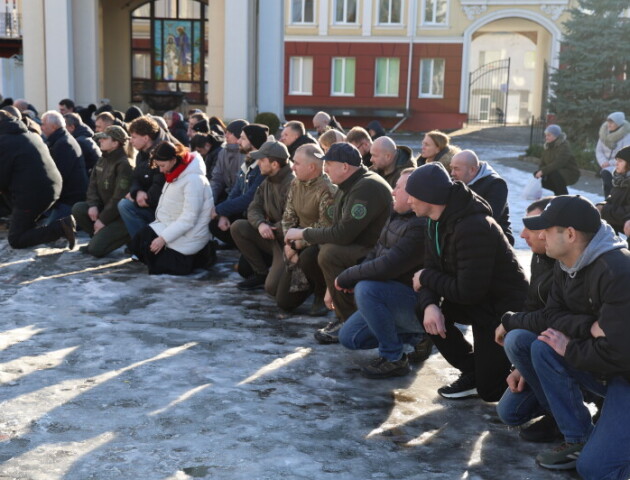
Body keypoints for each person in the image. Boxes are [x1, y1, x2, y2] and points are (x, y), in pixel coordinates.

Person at [495, 195, 630, 477]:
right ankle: (577, 438)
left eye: (546, 228)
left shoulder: (618, 270)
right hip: (604, 361)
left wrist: (570, 348)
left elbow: (620, 355)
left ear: (570, 234)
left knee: (595, 469)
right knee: (539, 345)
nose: (540, 234)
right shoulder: (564, 262)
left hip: (625, 372)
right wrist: (587, 327)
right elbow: (551, 315)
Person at [406, 163, 527, 401]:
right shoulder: (434, 220)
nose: (408, 200)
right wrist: (430, 305)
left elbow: (467, 291)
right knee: (424, 308)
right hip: (477, 301)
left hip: (501, 310)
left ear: (429, 196)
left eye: (413, 194)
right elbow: (431, 267)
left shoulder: (474, 226)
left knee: (490, 392)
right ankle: (472, 369)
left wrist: (425, 278)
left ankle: (521, 372)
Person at [285, 142, 393, 344]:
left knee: (329, 253)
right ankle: (344, 315)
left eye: (329, 164)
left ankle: (349, 319)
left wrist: (303, 233)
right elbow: (338, 228)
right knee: (324, 249)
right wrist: (330, 288)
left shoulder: (366, 186)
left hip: (380, 251)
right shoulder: (350, 184)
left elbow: (343, 234)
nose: (325, 169)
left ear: (345, 166)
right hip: (365, 246)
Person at [337, 168, 432, 378]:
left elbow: (389, 265)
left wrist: (350, 276)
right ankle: (417, 338)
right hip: (391, 296)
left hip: (416, 303)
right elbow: (376, 253)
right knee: (350, 338)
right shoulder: (396, 215)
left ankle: (394, 357)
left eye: (398, 188)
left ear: (413, 196)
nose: (393, 191)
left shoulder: (420, 226)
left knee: (366, 289)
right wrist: (355, 275)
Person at [495, 197, 561, 443]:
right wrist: (519, 367)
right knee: (509, 413)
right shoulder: (540, 256)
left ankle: (562, 417)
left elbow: (554, 317)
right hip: (546, 344)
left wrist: (511, 321)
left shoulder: (569, 262)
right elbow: (532, 305)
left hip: (578, 352)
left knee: (516, 337)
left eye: (531, 228)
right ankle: (558, 408)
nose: (522, 235)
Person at [131, 141, 213, 275]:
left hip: (191, 234)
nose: (161, 170)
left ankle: (201, 255)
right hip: (171, 225)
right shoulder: (176, 172)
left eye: (162, 166)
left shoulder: (193, 180)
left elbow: (189, 219)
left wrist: (163, 238)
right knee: (139, 244)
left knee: (159, 266)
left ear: (174, 160)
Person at [0, 111, 75, 249]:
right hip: (49, 188)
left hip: (34, 194)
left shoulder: (5, 141)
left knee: (16, 239)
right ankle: (27, 224)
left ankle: (61, 228)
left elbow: (2, 178)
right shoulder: (27, 134)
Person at [279, 143, 337, 314]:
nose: (292, 167)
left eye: (296, 163)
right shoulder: (296, 183)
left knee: (310, 256)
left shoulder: (328, 190)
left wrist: (297, 245)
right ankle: (309, 284)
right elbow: (288, 216)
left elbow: (325, 227)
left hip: (319, 244)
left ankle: (321, 290)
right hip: (297, 242)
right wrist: (289, 244)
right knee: (283, 301)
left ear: (312, 167)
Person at [230, 141, 294, 292]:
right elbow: (253, 207)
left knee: (272, 289)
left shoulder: (292, 183)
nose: (258, 163)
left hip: (285, 242)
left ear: (274, 164)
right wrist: (260, 224)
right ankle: (261, 273)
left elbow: (292, 220)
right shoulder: (267, 181)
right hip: (269, 235)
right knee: (238, 226)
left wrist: (270, 228)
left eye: (262, 160)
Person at [72, 126, 134, 257]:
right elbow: (92, 185)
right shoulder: (103, 158)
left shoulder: (124, 164)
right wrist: (93, 205)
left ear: (116, 143)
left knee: (96, 250)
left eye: (104, 139)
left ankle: (120, 239)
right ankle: (97, 238)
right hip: (105, 209)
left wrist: (103, 220)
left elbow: (119, 197)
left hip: (120, 217)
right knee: (79, 208)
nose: (100, 141)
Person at [210, 123, 267, 249]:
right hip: (245, 214)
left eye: (243, 138)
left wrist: (219, 209)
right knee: (214, 223)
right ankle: (239, 245)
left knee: (244, 268)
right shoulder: (247, 162)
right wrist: (223, 214)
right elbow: (235, 192)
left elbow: (249, 199)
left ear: (252, 142)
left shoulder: (262, 167)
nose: (238, 141)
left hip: (258, 218)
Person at [118, 116, 169, 241]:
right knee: (124, 204)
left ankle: (144, 245)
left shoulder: (162, 153)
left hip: (160, 207)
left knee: (125, 206)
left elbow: (161, 183)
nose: (131, 141)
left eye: (134, 137)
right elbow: (135, 178)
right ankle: (141, 244)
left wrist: (144, 197)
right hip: (147, 201)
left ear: (146, 138)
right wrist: (137, 192)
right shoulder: (141, 154)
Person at [450, 149, 514, 244]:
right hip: (467, 238)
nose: (452, 173)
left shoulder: (496, 184)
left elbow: (489, 218)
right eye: (451, 168)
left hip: (495, 242)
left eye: (456, 169)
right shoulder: (458, 182)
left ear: (472, 170)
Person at [40, 110, 88, 225]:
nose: (41, 127)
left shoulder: (64, 144)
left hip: (69, 199)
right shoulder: (61, 139)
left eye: (43, 124)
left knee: (50, 230)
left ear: (53, 126)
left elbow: (59, 175)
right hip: (66, 196)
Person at [209, 119, 249, 205]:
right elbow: (216, 179)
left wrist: (225, 208)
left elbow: (240, 186)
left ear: (239, 135)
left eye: (230, 133)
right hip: (227, 197)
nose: (226, 135)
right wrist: (210, 202)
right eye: (226, 132)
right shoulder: (223, 152)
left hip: (241, 200)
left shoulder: (246, 154)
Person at [534, 124, 580, 196]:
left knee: (554, 174)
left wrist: (543, 171)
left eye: (549, 135)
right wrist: (539, 171)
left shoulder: (564, 146)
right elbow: (542, 163)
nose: (546, 137)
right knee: (541, 177)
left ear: (556, 136)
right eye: (546, 135)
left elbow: (558, 163)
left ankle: (563, 196)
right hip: (556, 171)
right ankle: (558, 195)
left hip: (570, 172)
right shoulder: (548, 146)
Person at [595, 112, 630, 198]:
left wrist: (609, 163)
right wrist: (603, 162)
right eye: (608, 121)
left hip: (619, 165)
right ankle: (608, 201)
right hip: (605, 165)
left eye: (612, 122)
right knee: (606, 181)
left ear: (618, 123)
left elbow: (624, 154)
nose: (609, 124)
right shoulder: (603, 134)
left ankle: (613, 201)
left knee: (609, 178)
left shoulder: (626, 136)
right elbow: (599, 150)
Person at [598, 146, 630, 234]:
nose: (616, 164)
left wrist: (604, 210)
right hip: (619, 220)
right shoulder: (620, 179)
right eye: (616, 160)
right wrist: (601, 205)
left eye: (620, 161)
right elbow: (612, 198)